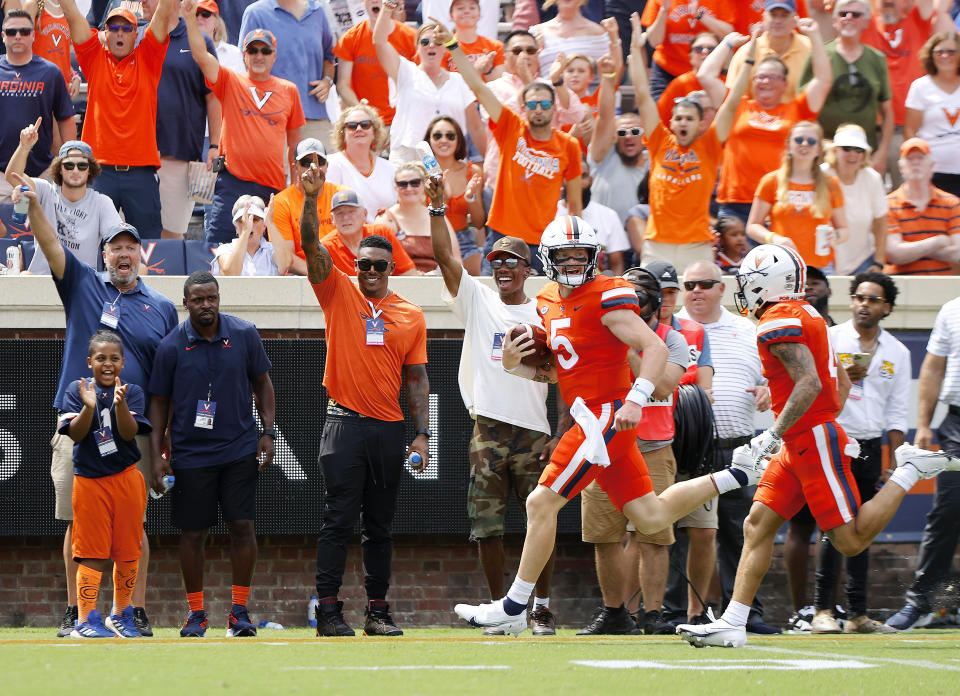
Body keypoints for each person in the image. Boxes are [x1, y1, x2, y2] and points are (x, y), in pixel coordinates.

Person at [453, 214, 769, 635]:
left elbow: (654, 346)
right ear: (549, 258)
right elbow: (555, 370)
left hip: (603, 416)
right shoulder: (549, 300)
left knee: (539, 503)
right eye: (563, 255)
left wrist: (637, 398)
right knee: (652, 515)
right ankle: (738, 473)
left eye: (579, 254)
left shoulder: (607, 294)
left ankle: (512, 608)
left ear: (594, 256)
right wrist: (514, 366)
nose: (571, 262)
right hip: (596, 416)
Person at [677, 243, 960, 649]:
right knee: (756, 525)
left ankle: (908, 470)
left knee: (849, 540)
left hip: (808, 439)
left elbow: (809, 382)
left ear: (765, 284)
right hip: (804, 438)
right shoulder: (807, 313)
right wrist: (811, 426)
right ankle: (733, 622)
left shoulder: (778, 319)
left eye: (747, 281)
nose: (742, 288)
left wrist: (777, 433)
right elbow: (839, 382)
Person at [15, 174, 177, 639]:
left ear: (140, 254)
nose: (123, 255)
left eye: (131, 247)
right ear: (103, 255)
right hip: (78, 426)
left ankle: (133, 611)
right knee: (75, 523)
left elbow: (165, 383)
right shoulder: (83, 284)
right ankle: (76, 613)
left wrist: (163, 442)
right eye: (115, 248)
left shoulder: (163, 307)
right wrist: (32, 208)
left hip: (136, 430)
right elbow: (48, 243)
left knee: (134, 529)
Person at [298, 163, 430, 637]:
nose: (371, 272)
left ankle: (378, 611)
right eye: (364, 265)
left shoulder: (411, 315)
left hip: (389, 430)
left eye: (379, 265)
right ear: (355, 266)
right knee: (337, 520)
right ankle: (329, 612)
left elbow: (417, 380)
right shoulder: (337, 292)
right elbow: (312, 246)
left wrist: (421, 434)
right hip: (344, 423)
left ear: (392, 268)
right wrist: (311, 199)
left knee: (380, 526)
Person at [426, 174, 560, 636]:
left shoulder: (547, 310)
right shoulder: (479, 300)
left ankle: (540, 606)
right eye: (495, 259)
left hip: (534, 431)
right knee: (486, 525)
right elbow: (445, 257)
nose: (502, 266)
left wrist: (559, 431)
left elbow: (567, 376)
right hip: (487, 429)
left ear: (528, 270)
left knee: (539, 519)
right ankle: (503, 609)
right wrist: (438, 209)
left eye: (511, 261)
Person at [148, 271, 276, 639]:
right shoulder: (171, 346)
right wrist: (158, 455)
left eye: (212, 298)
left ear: (219, 299)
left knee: (242, 526)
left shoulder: (244, 334)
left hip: (239, 449)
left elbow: (263, 384)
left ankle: (239, 613)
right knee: (192, 534)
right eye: (198, 300)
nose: (206, 305)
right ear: (185, 303)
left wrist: (267, 431)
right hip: (189, 453)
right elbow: (159, 403)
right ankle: (196, 614)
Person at [576, 265, 689, 636]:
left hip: (654, 447)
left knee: (653, 535)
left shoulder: (671, 339)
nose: (631, 304)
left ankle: (653, 615)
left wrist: (631, 343)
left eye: (639, 297)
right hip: (604, 445)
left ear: (654, 303)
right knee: (602, 534)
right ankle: (614, 613)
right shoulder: (600, 330)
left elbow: (662, 388)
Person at [677, 260, 780, 635]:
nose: (697, 291)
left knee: (741, 533)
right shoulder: (672, 328)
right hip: (686, 449)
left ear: (722, 289)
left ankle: (745, 613)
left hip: (738, 448)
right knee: (678, 534)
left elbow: (775, 376)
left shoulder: (747, 330)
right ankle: (675, 613)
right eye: (690, 284)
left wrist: (769, 389)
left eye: (705, 283)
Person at [438, 19, 582, 272]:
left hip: (544, 242)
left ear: (553, 108)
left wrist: (574, 244)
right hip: (502, 234)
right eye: (533, 104)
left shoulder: (568, 145)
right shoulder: (511, 127)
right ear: (523, 107)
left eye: (546, 104)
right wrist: (452, 44)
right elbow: (477, 86)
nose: (539, 109)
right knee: (491, 302)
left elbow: (575, 205)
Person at [809, 271, 908, 634]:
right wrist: (841, 376)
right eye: (859, 297)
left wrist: (894, 457)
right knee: (833, 525)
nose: (864, 305)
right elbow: (812, 388)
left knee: (863, 529)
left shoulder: (897, 351)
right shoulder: (830, 339)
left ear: (887, 308)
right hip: (835, 439)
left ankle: (857, 615)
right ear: (850, 301)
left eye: (873, 300)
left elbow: (898, 411)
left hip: (869, 445)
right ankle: (822, 611)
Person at [182, 0, 305, 244]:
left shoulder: (289, 90)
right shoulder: (231, 80)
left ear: (274, 55)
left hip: (273, 188)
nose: (259, 56)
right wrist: (188, 18)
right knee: (217, 248)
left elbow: (295, 147)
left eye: (265, 51)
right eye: (253, 50)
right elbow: (200, 55)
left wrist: (296, 189)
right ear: (244, 54)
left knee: (272, 255)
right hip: (232, 182)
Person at [57, 330, 151, 638]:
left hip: (126, 478)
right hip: (90, 481)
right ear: (89, 362)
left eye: (113, 358)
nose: (107, 364)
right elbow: (77, 434)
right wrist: (88, 406)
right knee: (92, 550)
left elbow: (128, 433)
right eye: (101, 358)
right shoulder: (77, 389)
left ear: (122, 362)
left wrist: (121, 405)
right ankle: (86, 619)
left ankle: (120, 614)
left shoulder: (132, 391)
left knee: (128, 549)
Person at [59, 0, 174, 238]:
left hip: (141, 172)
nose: (119, 33)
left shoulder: (149, 56)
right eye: (113, 28)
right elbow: (71, 12)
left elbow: (163, 14)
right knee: (89, 242)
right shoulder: (93, 57)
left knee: (149, 247)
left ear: (136, 35)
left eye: (126, 28)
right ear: (105, 34)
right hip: (100, 172)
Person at [701, 16, 832, 224]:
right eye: (759, 77)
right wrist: (727, 43)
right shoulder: (737, 106)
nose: (764, 81)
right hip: (735, 203)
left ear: (784, 83)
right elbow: (705, 76)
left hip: (777, 202)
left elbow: (823, 80)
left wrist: (815, 36)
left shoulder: (797, 109)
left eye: (771, 77)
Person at [626, 18, 729, 272]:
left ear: (701, 122)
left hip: (697, 245)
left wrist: (740, 54)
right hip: (657, 244)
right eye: (679, 117)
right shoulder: (660, 140)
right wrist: (636, 49)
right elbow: (641, 92)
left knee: (699, 308)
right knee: (652, 307)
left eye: (690, 118)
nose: (683, 122)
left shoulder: (710, 144)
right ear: (670, 121)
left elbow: (732, 101)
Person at [885, 289, 960, 631]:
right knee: (946, 512)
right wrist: (925, 424)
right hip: (957, 424)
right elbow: (932, 367)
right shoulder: (952, 310)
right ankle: (921, 602)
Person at [142, 0, 221, 240]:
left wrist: (215, 145)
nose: (142, 1)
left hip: (179, 158)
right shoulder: (135, 38)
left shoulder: (199, 41)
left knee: (172, 238)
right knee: (130, 237)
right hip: (136, 160)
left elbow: (214, 97)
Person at [373, 3, 482, 166]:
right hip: (408, 159)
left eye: (437, 42)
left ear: (445, 49)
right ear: (417, 48)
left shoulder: (458, 81)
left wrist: (488, 163)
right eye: (425, 41)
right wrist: (387, 7)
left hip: (449, 158)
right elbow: (379, 41)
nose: (431, 45)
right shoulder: (405, 71)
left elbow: (476, 128)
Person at [863, 0, 954, 188]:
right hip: (872, 131)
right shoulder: (865, 22)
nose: (889, 2)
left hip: (906, 132)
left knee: (907, 200)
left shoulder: (916, 21)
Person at [4, 132, 120, 275]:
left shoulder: (101, 202)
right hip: (42, 281)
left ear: (90, 170)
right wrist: (24, 146)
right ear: (59, 168)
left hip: (81, 284)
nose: (75, 170)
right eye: (69, 165)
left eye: (82, 165)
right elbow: (12, 176)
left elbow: (119, 238)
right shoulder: (45, 191)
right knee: (25, 275)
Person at [800, 0, 893, 173]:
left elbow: (888, 112)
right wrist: (815, 147)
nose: (849, 18)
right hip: (825, 152)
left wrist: (882, 153)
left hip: (864, 153)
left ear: (866, 21)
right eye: (843, 14)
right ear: (835, 20)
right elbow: (802, 109)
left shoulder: (877, 59)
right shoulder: (819, 55)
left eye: (856, 14)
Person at [746, 121, 849, 271]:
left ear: (819, 150)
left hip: (820, 268)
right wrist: (774, 239)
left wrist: (836, 235)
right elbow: (752, 226)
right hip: (781, 265)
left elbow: (845, 230)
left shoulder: (831, 184)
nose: (805, 144)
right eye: (799, 140)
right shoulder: (771, 181)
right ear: (788, 146)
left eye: (812, 141)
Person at [239, 0, 336, 150]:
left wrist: (327, 80)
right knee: (278, 174)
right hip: (271, 119)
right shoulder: (256, 12)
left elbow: (329, 57)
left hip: (315, 116)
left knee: (324, 172)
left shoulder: (317, 10)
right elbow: (246, 62)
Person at [0, 8, 75, 200]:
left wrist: (69, 159)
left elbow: (65, 118)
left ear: (33, 35)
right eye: (11, 32)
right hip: (0, 176)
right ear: (3, 36)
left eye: (24, 31)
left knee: (41, 230)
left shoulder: (51, 72)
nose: (18, 36)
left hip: (41, 174)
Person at [269, 137, 345, 276]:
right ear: (295, 167)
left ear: (327, 166)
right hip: (303, 275)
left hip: (341, 271)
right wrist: (321, 276)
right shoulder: (281, 202)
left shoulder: (342, 195)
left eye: (319, 162)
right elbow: (287, 258)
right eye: (306, 162)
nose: (313, 167)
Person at [334, 0, 416, 126]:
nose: (375, 1)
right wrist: (363, 113)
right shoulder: (350, 39)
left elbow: (421, 82)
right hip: (368, 126)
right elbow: (343, 85)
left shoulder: (411, 37)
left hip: (404, 121)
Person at [885, 137, 960, 275]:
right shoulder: (888, 204)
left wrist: (912, 249)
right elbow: (896, 254)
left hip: (943, 285)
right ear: (901, 166)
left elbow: (958, 254)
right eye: (910, 159)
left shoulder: (951, 203)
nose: (915, 163)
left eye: (920, 158)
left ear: (931, 164)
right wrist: (939, 241)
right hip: (902, 287)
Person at [822, 123, 888, 275]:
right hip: (825, 262)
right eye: (847, 148)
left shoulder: (873, 178)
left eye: (859, 150)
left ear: (864, 154)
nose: (853, 154)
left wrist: (878, 263)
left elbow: (881, 224)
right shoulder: (821, 175)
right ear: (835, 151)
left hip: (862, 263)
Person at [425, 115, 486, 276]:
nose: (443, 140)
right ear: (429, 140)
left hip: (464, 240)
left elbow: (479, 223)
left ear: (459, 140)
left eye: (450, 136)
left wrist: (470, 197)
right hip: (428, 240)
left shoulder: (472, 171)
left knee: (478, 284)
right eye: (437, 135)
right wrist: (441, 197)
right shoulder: (418, 172)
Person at [375, 162, 462, 273]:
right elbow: (378, 262)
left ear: (423, 184)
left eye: (415, 183)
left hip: (436, 282)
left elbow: (456, 259)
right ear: (396, 187)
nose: (409, 188)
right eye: (403, 184)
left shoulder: (438, 216)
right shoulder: (386, 219)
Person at [640, 0, 734, 99]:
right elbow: (654, 41)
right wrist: (664, 11)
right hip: (668, 70)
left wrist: (700, 15)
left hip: (707, 71)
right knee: (660, 112)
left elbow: (728, 34)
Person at [904, 31, 960, 198]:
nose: (945, 56)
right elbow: (910, 132)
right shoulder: (920, 87)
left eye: (951, 51)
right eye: (939, 52)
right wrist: (919, 168)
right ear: (931, 55)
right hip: (934, 173)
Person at [555, 151, 630, 275]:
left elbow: (616, 264)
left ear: (591, 180)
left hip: (597, 286)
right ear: (562, 179)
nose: (577, 182)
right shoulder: (550, 213)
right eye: (571, 176)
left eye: (582, 176)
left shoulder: (608, 215)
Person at [725, 0, 812, 105]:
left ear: (795, 20)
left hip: (799, 117)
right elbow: (734, 99)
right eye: (773, 15)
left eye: (784, 15)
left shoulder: (809, 48)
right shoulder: (746, 52)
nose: (778, 21)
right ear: (764, 18)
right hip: (756, 118)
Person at [325, 105, 398, 222]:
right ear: (343, 133)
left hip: (386, 234)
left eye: (365, 125)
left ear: (374, 131)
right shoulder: (331, 164)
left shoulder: (390, 168)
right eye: (352, 126)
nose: (359, 129)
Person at [321, 188, 418, 275]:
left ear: (365, 214)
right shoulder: (325, 247)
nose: (345, 218)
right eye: (339, 213)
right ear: (332, 219)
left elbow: (408, 273)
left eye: (352, 211)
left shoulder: (382, 233)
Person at [531, 0, 613, 79]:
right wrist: (535, 52)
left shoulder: (598, 33)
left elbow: (611, 75)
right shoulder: (537, 32)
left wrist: (615, 38)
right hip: (547, 91)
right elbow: (527, 73)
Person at [212, 195, 289, 276]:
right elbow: (230, 274)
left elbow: (284, 266)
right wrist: (245, 232)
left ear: (264, 226)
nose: (249, 223)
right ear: (236, 228)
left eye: (255, 219)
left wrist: (270, 223)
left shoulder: (272, 249)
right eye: (243, 220)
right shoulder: (225, 249)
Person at [656, 31, 721, 126]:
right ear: (690, 55)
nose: (705, 52)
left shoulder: (728, 83)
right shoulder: (679, 84)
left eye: (711, 49)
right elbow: (660, 123)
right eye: (698, 49)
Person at [21, 0, 81, 94]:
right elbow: (22, 49)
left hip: (62, 88)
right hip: (37, 88)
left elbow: (59, 54)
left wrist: (74, 76)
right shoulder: (32, 4)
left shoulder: (69, 8)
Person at [443, 0, 504, 81]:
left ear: (479, 14)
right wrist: (477, 70)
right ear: (451, 15)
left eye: (472, 8)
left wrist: (487, 71)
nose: (467, 11)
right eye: (460, 8)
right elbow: (441, 83)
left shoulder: (495, 46)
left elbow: (500, 84)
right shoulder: (442, 47)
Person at [194, 0, 244, 72]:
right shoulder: (181, 50)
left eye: (205, 14)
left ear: (217, 22)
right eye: (195, 14)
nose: (199, 17)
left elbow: (238, 81)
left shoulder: (233, 53)